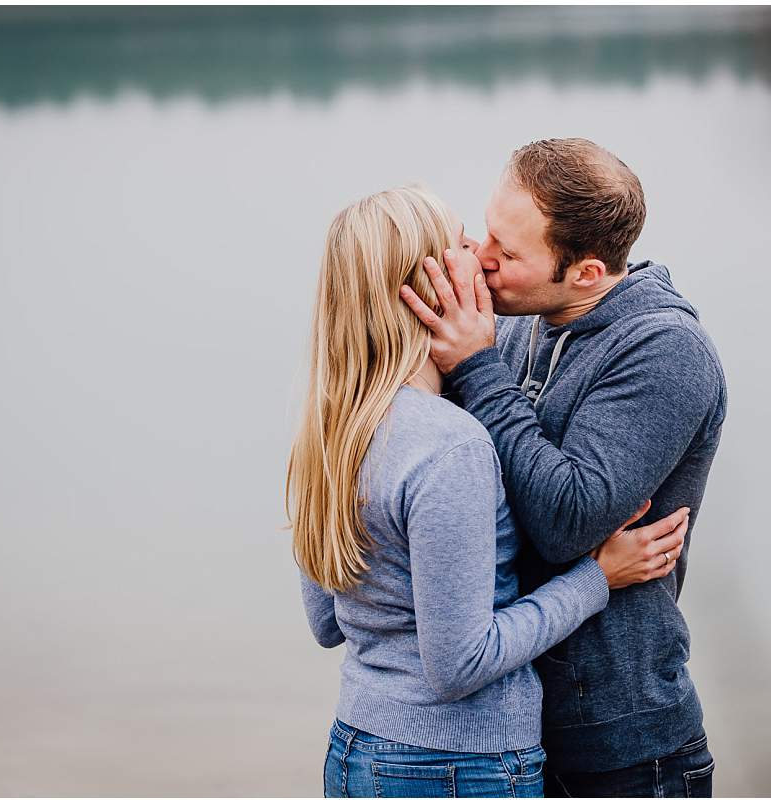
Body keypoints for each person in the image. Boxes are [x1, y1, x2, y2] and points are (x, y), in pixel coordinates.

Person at [288, 185, 692, 798]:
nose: (477, 254)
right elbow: (459, 666)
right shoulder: (452, 447)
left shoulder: (331, 430)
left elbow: (328, 622)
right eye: (459, 246)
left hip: (355, 751)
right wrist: (596, 578)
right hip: (456, 764)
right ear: (425, 289)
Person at [400, 138, 728, 797]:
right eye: (487, 231)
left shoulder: (665, 349)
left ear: (587, 273)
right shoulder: (523, 320)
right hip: (512, 731)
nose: (484, 260)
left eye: (509, 252)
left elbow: (561, 520)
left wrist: (474, 368)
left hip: (626, 748)